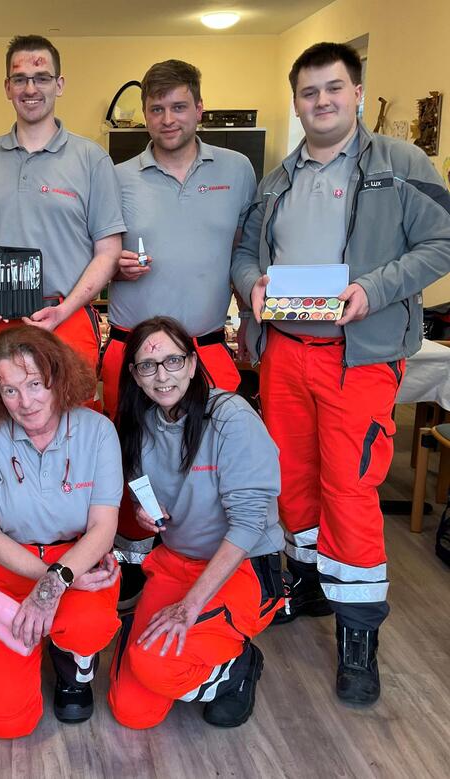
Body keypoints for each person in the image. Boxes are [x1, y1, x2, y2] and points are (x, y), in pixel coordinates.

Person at [231, 41, 450, 704]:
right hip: (287, 351)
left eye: (333, 88)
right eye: (309, 92)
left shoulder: (402, 164)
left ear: (357, 92)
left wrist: (375, 289)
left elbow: (440, 242)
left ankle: (359, 633)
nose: (321, 101)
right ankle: (309, 583)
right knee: (293, 482)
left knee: (350, 491)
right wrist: (253, 289)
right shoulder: (277, 177)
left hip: (361, 354)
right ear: (297, 101)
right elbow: (244, 254)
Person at [107, 317, 284, 729]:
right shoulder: (139, 423)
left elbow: (248, 525)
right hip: (176, 560)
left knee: (157, 668)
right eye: (148, 365)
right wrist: (140, 512)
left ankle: (240, 667)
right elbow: (144, 493)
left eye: (172, 361)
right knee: (132, 711)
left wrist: (189, 607)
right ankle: (170, 649)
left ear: (191, 363)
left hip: (241, 566)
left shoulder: (230, 417)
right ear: (134, 373)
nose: (162, 375)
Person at [0, 326, 122, 738]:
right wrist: (48, 582)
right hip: (6, 563)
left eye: (35, 383)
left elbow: (103, 528)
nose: (25, 401)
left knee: (87, 625)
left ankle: (72, 667)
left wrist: (60, 578)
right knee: (5, 721)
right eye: (10, 389)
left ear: (57, 376)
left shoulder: (98, 431)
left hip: (77, 561)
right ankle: (2, 632)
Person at [0, 35, 125, 373]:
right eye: (20, 79)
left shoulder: (91, 158)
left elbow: (108, 252)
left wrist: (64, 311)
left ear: (59, 84)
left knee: (70, 423)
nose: (30, 88)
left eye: (42, 78)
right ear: (7, 87)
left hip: (66, 318)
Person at [102, 59, 258, 419]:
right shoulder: (115, 178)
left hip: (206, 350)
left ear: (200, 109)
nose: (168, 119)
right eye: (156, 109)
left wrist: (249, 313)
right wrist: (115, 267)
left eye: (178, 107)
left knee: (211, 461)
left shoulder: (237, 169)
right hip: (133, 355)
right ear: (145, 114)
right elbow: (95, 257)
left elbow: (243, 251)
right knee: (129, 463)